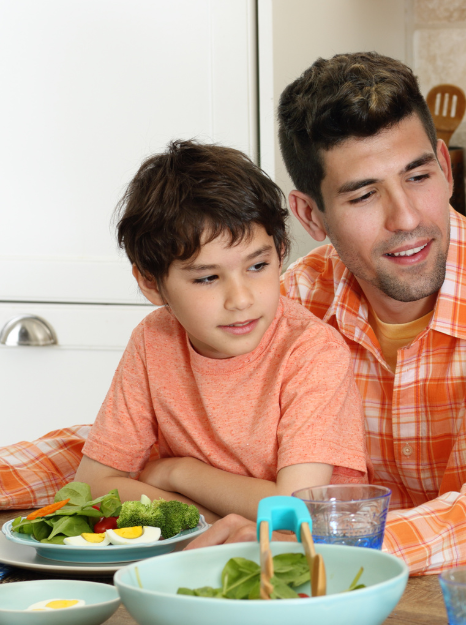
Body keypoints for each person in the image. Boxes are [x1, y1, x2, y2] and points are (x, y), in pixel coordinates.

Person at [190, 52, 466, 592]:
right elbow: (166, 417)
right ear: (310, 216)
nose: (406, 219)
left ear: (445, 169)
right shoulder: (296, 302)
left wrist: (304, 544)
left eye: (418, 176)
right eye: (364, 194)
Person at [75, 140, 367, 522]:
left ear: (280, 251)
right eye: (208, 277)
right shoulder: (152, 340)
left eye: (257, 266)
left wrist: (178, 473)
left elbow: (292, 511)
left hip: (305, 563)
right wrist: (207, 519)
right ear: (150, 282)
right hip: (201, 554)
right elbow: (93, 486)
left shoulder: (312, 351)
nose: (241, 299)